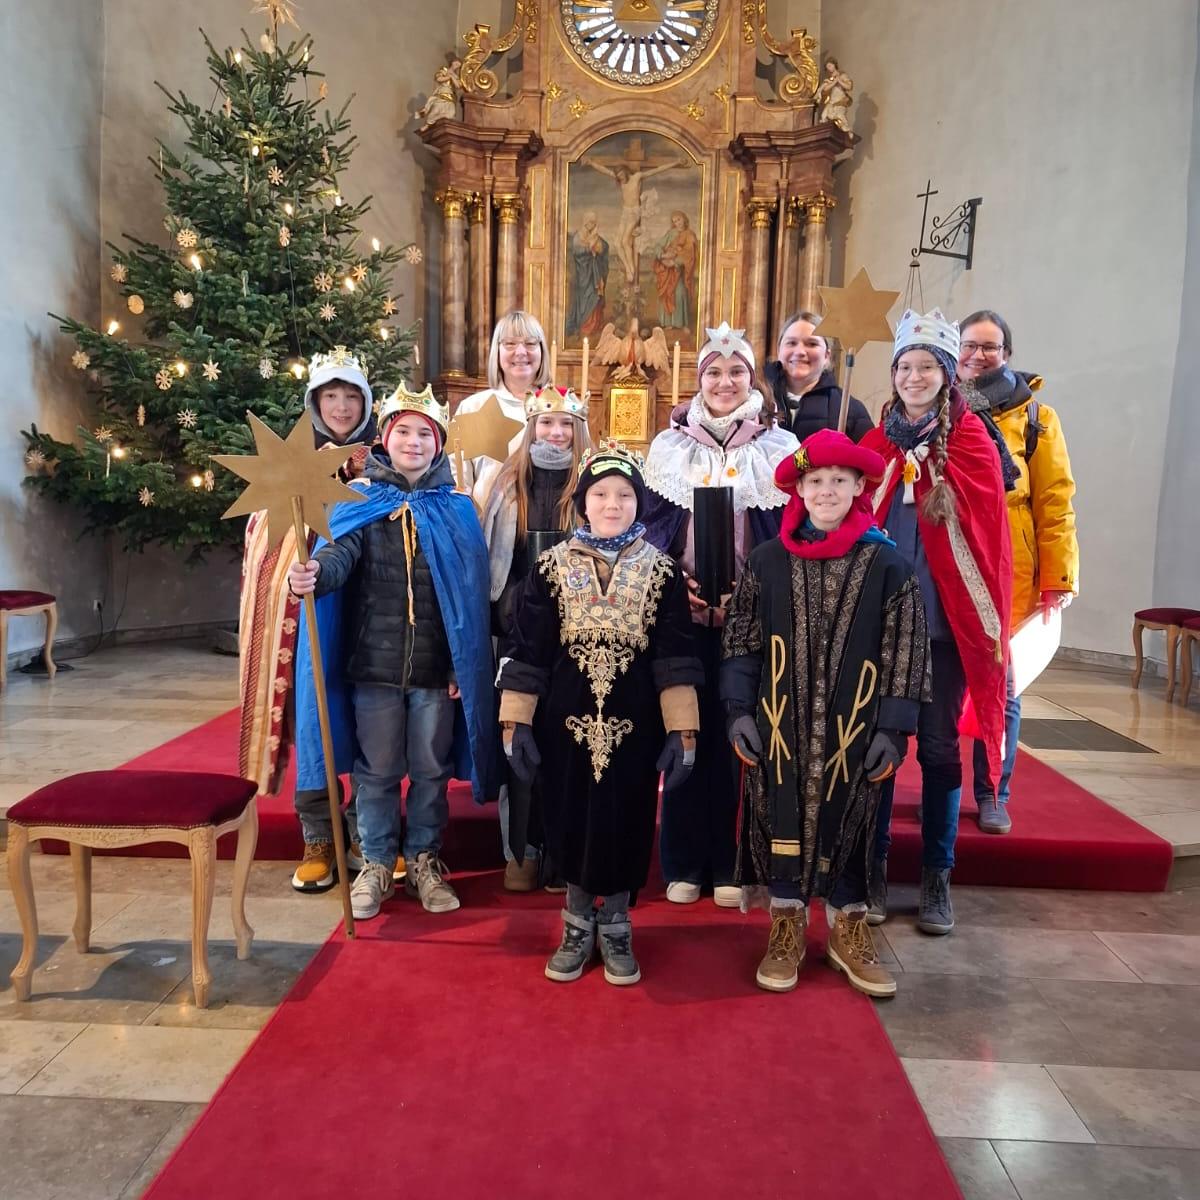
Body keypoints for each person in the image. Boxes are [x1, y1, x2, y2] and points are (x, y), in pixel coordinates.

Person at [722, 429, 929, 997]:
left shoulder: (887, 565)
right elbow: (741, 638)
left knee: (855, 816)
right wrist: (739, 709)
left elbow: (906, 649)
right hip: (779, 724)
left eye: (840, 480)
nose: (828, 490)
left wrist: (894, 726)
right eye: (817, 481)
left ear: (861, 486)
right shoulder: (766, 561)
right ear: (799, 490)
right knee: (780, 816)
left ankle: (848, 928)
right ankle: (786, 922)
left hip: (855, 730)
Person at [288, 382, 501, 920]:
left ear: (439, 443)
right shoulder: (359, 500)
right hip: (374, 667)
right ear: (385, 440)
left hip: (433, 669)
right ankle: (377, 863)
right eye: (402, 431)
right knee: (376, 770)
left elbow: (467, 600)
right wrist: (315, 574)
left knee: (429, 770)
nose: (412, 441)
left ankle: (425, 859)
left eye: (423, 433)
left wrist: (459, 662)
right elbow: (341, 554)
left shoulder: (457, 508)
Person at [498, 440, 702, 985]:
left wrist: (683, 729)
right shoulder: (548, 568)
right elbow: (527, 649)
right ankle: (574, 920)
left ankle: (615, 921)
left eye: (625, 495)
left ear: (639, 503)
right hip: (563, 728)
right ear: (582, 503)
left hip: (635, 731)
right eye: (601, 494)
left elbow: (676, 656)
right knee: (567, 818)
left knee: (625, 820)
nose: (612, 505)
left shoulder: (661, 573)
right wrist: (515, 720)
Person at [860, 310, 1012, 936]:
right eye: (904, 367)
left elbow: (983, 537)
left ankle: (936, 877)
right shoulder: (876, 446)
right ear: (892, 376)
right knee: (874, 745)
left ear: (947, 375)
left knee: (942, 746)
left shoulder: (972, 440)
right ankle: (869, 870)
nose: (914, 376)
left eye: (926, 367)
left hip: (943, 627)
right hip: (879, 628)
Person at [642, 322, 800, 907]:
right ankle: (683, 860)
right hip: (683, 614)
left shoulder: (778, 450)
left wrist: (753, 593)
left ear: (751, 380)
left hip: (751, 619)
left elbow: (787, 534)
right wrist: (669, 583)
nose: (725, 381)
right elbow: (650, 529)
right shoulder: (669, 448)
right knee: (686, 731)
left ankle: (734, 863)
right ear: (699, 380)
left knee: (740, 737)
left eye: (736, 372)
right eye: (714, 372)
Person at [237, 346, 376, 893]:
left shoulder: (388, 458)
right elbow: (265, 541)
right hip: (312, 609)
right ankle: (319, 834)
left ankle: (369, 831)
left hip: (369, 611)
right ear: (315, 403)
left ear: (365, 402)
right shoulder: (291, 460)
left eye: (351, 395)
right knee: (315, 717)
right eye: (330, 396)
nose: (341, 406)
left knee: (371, 717)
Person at [957, 310, 1079, 835]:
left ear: (1005, 353)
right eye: (969, 344)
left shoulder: (1037, 417)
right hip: (952, 559)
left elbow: (1055, 499)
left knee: (1001, 687)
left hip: (1012, 570)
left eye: (989, 346)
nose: (978, 354)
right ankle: (941, 785)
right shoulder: (938, 407)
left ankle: (992, 792)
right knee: (937, 687)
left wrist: (1059, 576)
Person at [481, 385, 592, 890]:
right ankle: (521, 847)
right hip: (518, 632)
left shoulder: (590, 483)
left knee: (567, 739)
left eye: (565, 424)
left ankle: (559, 845)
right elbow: (490, 563)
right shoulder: (506, 485)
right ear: (531, 429)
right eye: (546, 424)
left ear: (578, 430)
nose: (555, 433)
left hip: (576, 631)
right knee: (517, 739)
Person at [454, 310, 552, 503]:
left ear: (542, 350)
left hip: (549, 527)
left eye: (530, 343)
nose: (521, 352)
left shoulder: (563, 407)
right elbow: (456, 477)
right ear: (497, 351)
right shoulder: (472, 407)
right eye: (510, 343)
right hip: (484, 529)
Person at [763, 311, 873, 442]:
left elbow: (868, 459)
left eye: (812, 344)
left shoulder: (851, 410)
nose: (799, 352)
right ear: (778, 350)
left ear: (827, 355)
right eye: (791, 343)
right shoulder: (756, 400)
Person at [652, 211, 699, 330]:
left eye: (678, 220)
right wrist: (662, 256)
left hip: (680, 271)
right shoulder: (671, 233)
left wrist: (675, 262)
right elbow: (658, 245)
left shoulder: (690, 235)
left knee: (679, 294)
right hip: (667, 271)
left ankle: (681, 323)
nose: (677, 223)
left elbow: (690, 255)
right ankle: (668, 323)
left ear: (684, 218)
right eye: (674, 221)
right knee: (666, 294)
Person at [566, 213, 610, 339]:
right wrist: (588, 249)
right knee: (586, 299)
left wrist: (598, 249)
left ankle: (594, 325)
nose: (592, 225)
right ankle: (584, 325)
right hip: (583, 275)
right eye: (590, 222)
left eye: (594, 223)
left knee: (596, 297)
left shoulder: (595, 236)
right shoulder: (578, 237)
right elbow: (576, 251)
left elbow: (604, 247)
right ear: (585, 222)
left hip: (595, 275)